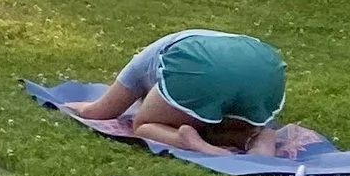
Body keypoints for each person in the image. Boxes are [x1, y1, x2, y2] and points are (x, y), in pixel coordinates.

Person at [62, 29, 286, 149]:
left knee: (143, 124)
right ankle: (254, 137)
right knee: (218, 122)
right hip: (265, 68)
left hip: (202, 67)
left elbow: (99, 112)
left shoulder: (142, 64)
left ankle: (187, 141)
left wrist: (69, 105)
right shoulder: (209, 39)